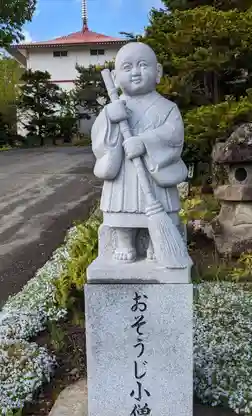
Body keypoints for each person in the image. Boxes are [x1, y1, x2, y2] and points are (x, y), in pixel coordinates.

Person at [92, 42, 188, 262]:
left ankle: (157, 241)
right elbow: (99, 141)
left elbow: (173, 134)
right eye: (127, 67)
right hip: (123, 174)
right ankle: (124, 241)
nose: (135, 72)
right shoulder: (112, 109)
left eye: (143, 65)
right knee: (121, 208)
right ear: (115, 78)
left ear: (158, 72)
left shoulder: (167, 107)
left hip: (154, 174)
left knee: (160, 206)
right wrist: (109, 118)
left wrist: (145, 142)